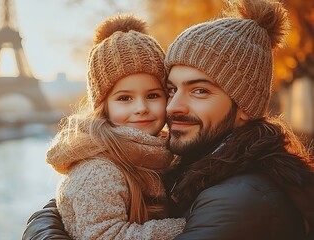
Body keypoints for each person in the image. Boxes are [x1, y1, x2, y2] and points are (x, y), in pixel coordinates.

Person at [22, 0, 314, 239]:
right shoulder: (190, 165)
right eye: (172, 89)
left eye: (199, 90)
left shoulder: (237, 200)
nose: (173, 106)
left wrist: (42, 228)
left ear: (245, 107)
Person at [24, 14, 186, 239]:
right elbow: (104, 236)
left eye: (152, 95)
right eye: (124, 98)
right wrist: (192, 225)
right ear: (103, 106)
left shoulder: (162, 153)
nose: (141, 107)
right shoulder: (99, 170)